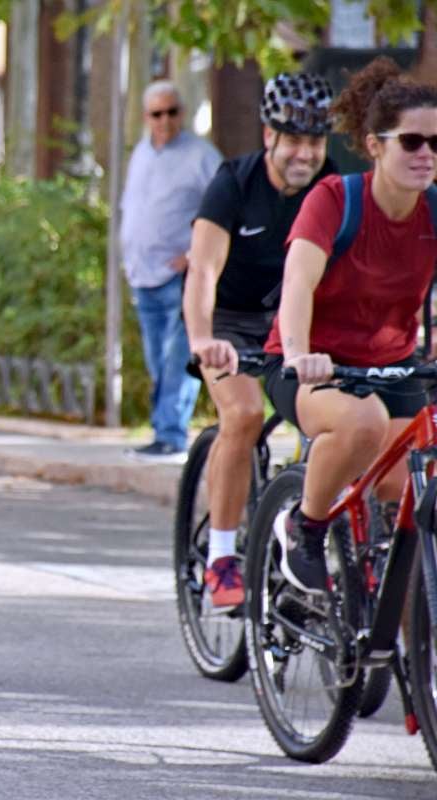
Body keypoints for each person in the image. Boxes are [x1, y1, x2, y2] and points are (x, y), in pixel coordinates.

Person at [262, 57, 437, 594]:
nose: (427, 154)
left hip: (395, 365)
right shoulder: (336, 199)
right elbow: (297, 286)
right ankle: (306, 528)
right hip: (315, 365)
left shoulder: (435, 211)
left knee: (411, 490)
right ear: (376, 144)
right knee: (361, 424)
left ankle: (397, 631)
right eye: (412, 142)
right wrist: (299, 353)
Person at [183, 73, 336, 610]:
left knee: (334, 419)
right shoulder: (234, 182)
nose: (305, 153)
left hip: (291, 325)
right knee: (244, 415)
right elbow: (202, 271)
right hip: (227, 322)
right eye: (294, 139)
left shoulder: (330, 188)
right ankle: (222, 558)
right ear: (269, 135)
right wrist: (203, 339)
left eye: (315, 142)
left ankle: (296, 522)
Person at [121, 80, 222, 462]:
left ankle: (171, 434)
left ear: (182, 113)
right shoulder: (141, 153)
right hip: (143, 275)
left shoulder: (201, 155)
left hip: (182, 276)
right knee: (156, 359)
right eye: (156, 114)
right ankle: (165, 430)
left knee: (177, 357)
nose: (164, 120)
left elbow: (222, 208)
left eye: (172, 112)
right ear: (146, 117)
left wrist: (195, 253)